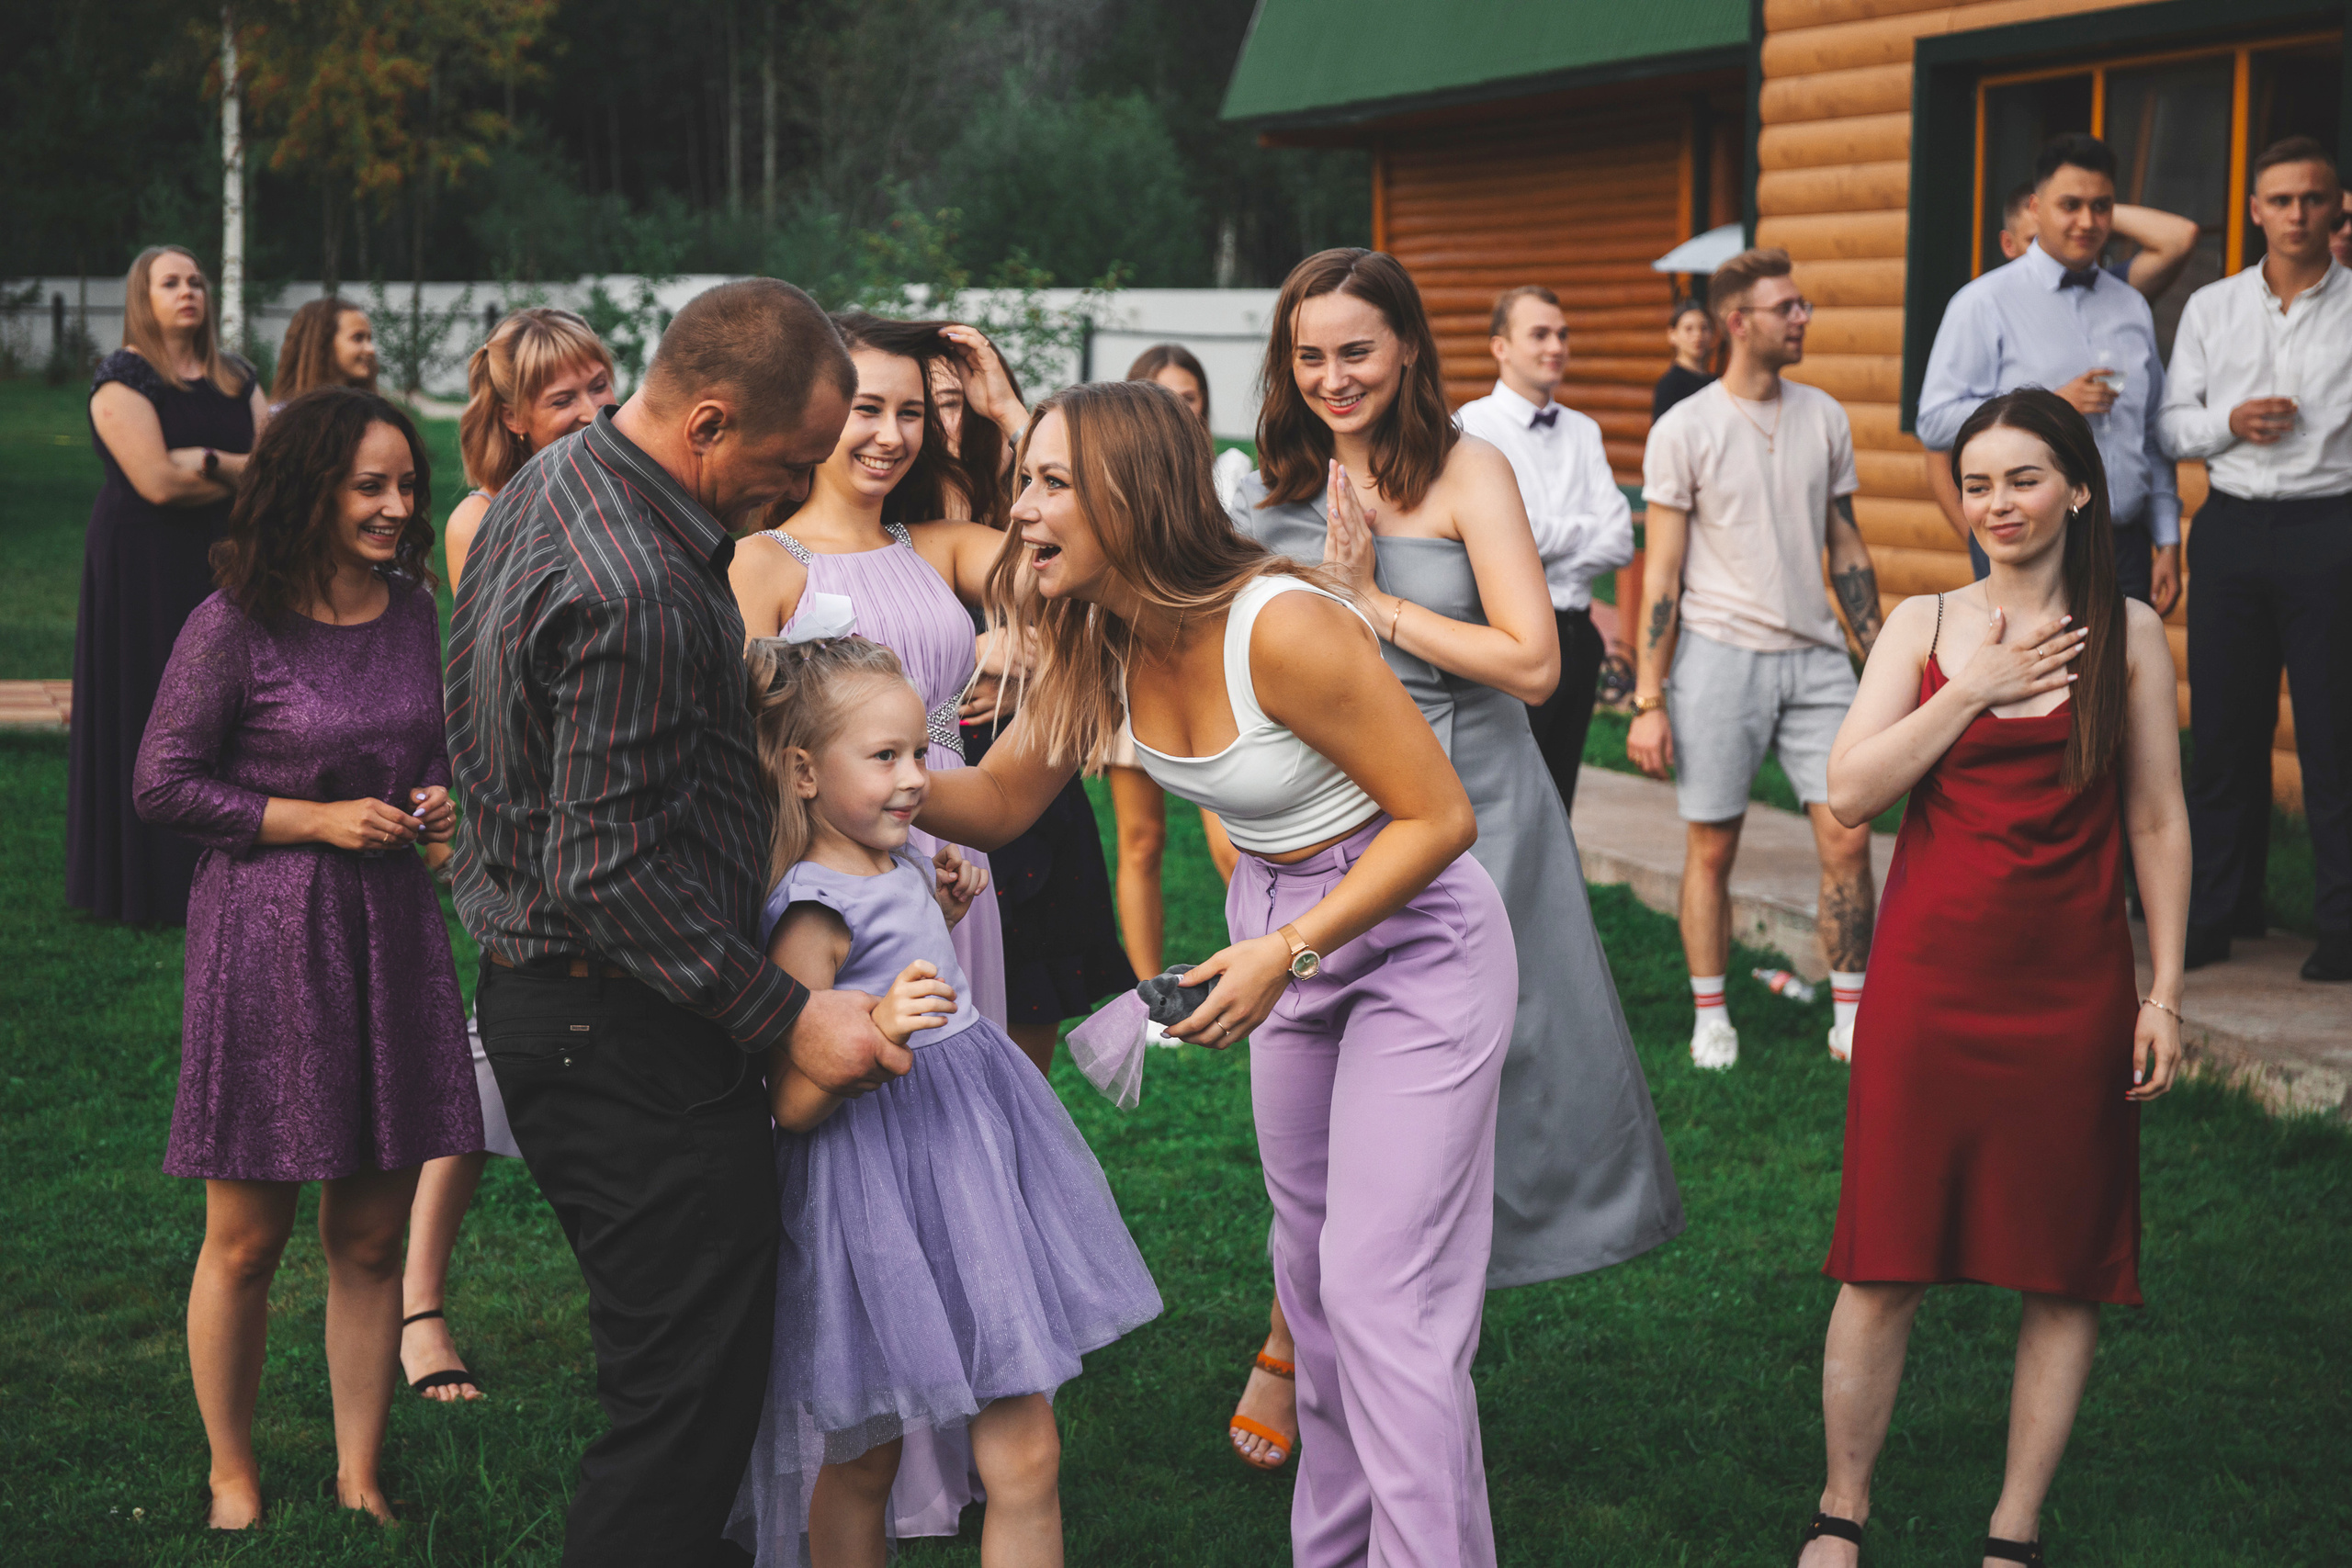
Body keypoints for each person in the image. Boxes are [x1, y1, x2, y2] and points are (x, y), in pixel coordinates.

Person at [919, 378, 1518, 1567]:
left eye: (1047, 483)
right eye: (1021, 479)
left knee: (1381, 1294)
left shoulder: (1280, 623)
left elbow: (1440, 817)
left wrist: (1290, 947)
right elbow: (989, 803)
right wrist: (830, 754)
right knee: (1311, 1275)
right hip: (1280, 929)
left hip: (1411, 936)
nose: (1019, 508)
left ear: (1130, 497)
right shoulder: (1091, 642)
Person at [447, 278, 900, 1566]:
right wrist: (789, 1014)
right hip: (623, 1026)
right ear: (709, 421)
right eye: (788, 459)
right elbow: (606, 867)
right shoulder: (640, 583)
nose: (798, 485)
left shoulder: (558, 479)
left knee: (675, 1378)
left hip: (564, 1003)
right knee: (681, 1408)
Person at [1235, 248, 1681, 1472]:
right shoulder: (1271, 481)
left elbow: (1538, 663)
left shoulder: (1466, 468)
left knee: (1488, 1087)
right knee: (1321, 1093)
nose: (1333, 376)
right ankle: (1300, 1326)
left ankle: (1407, 1353)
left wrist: (1372, 601)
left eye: (1357, 351)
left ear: (1412, 352)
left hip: (1478, 805)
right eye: (1310, 354)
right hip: (1332, 818)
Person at [1794, 389, 2188, 1568]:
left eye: (2022, 479)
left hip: (2072, 989)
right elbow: (1850, 792)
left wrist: (2162, 991)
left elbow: (2160, 823)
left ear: (2075, 488)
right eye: (1976, 483)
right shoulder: (1922, 624)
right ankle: (1840, 1510)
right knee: (1883, 1261)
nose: (1997, 504)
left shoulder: (2130, 635)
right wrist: (1973, 691)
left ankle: (2012, 1529)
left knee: (2062, 1267)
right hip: (1930, 982)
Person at [726, 635, 1160, 1568]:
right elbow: (792, 1102)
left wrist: (937, 902)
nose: (915, 779)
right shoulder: (812, 911)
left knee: (1028, 1450)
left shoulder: (902, 862)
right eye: (883, 758)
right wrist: (875, 1031)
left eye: (919, 752)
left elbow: (917, 958)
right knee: (866, 1457)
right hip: (876, 1181)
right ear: (803, 771)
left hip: (970, 1157)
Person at [132, 387, 482, 1528]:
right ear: (310, 489)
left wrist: (435, 801)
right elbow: (162, 781)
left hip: (391, 938)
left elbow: (427, 748)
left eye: (405, 485)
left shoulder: (413, 609)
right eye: (368, 486)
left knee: (371, 1234)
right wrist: (311, 818)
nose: (396, 506)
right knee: (247, 1238)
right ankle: (231, 1470)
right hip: (269, 943)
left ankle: (358, 1470)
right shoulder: (235, 622)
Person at [400, 305, 622, 1405]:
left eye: (598, 385)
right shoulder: (481, 518)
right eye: (561, 399)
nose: (591, 411)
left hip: (607, 824)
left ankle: (630, 1304)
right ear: (516, 419)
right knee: (488, 1067)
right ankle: (418, 1305)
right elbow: (497, 693)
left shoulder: (632, 496)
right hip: (526, 831)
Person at [729, 311, 1012, 1037]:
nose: (892, 435)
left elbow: (1080, 547)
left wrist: (1007, 412)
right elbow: (736, 746)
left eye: (911, 412)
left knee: (960, 1065)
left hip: (952, 847)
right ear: (815, 412)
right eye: (868, 409)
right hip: (835, 865)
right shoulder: (761, 562)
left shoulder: (940, 547)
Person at [1632, 246, 1882, 1069]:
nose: (1803, 317)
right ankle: (1712, 1014)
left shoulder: (1825, 415)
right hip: (1717, 658)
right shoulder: (1685, 428)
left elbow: (1843, 540)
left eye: (1802, 304)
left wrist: (1874, 650)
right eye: (1788, 308)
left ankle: (1851, 1014)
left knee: (1848, 837)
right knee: (1713, 846)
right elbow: (1660, 572)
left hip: (1816, 662)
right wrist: (1649, 696)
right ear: (1740, 323)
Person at [2157, 136, 2352, 982]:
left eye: (2313, 198)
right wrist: (2228, 423)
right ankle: (2216, 910)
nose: (2298, 214)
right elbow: (2168, 425)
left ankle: (2342, 925)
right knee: (2226, 732)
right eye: (2282, 200)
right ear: (2255, 210)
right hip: (2232, 528)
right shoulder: (2211, 307)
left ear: (2337, 205)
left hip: (2332, 530)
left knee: (2334, 736)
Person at [70, 244, 270, 927]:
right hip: (141, 566)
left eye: (196, 281)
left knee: (226, 706)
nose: (188, 291)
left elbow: (273, 474)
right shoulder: (124, 378)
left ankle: (221, 866)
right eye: (170, 282)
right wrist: (234, 475)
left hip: (224, 559)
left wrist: (208, 459)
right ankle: (145, 882)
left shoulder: (237, 378)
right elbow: (154, 481)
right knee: (150, 705)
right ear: (142, 297)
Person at [1918, 134, 2181, 609]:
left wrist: (2167, 538)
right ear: (2036, 208)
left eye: (2101, 207)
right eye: (2070, 205)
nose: (2087, 221)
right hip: (2030, 545)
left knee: (2120, 681)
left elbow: (2150, 434)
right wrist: (2049, 406)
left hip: (2127, 547)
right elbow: (1934, 421)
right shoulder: (1983, 302)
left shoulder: (2132, 305)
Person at [1458, 284, 1636, 812]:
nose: (1556, 346)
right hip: (1508, 636)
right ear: (1500, 347)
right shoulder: (1471, 426)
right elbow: (1497, 538)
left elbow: (1621, 538)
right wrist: (1575, 530)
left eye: (1562, 334)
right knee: (1505, 803)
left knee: (1559, 803)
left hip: (1579, 640)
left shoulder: (1584, 431)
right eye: (1539, 334)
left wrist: (1534, 539)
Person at [1107, 343, 1246, 980]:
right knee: (1140, 841)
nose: (1178, 410)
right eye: (1163, 397)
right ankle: (1150, 995)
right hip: (1133, 665)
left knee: (1235, 840)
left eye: (1188, 398)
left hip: (1214, 672)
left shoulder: (1232, 477)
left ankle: (1269, 972)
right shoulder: (1111, 481)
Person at [1992, 179, 2202, 303]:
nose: (2051, 246)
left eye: (2060, 232)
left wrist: (2087, 211)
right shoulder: (1989, 306)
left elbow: (2180, 236)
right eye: (2036, 239)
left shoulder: (2108, 291)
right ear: (2008, 245)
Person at [271, 296, 379, 409]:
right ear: (323, 343)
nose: (371, 349)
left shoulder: (373, 414)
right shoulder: (284, 419)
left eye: (369, 338)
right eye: (358, 338)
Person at [1652, 297, 1717, 420]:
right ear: (1672, 335)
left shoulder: (1716, 383)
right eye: (1689, 329)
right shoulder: (1669, 386)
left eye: (1704, 328)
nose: (1698, 335)